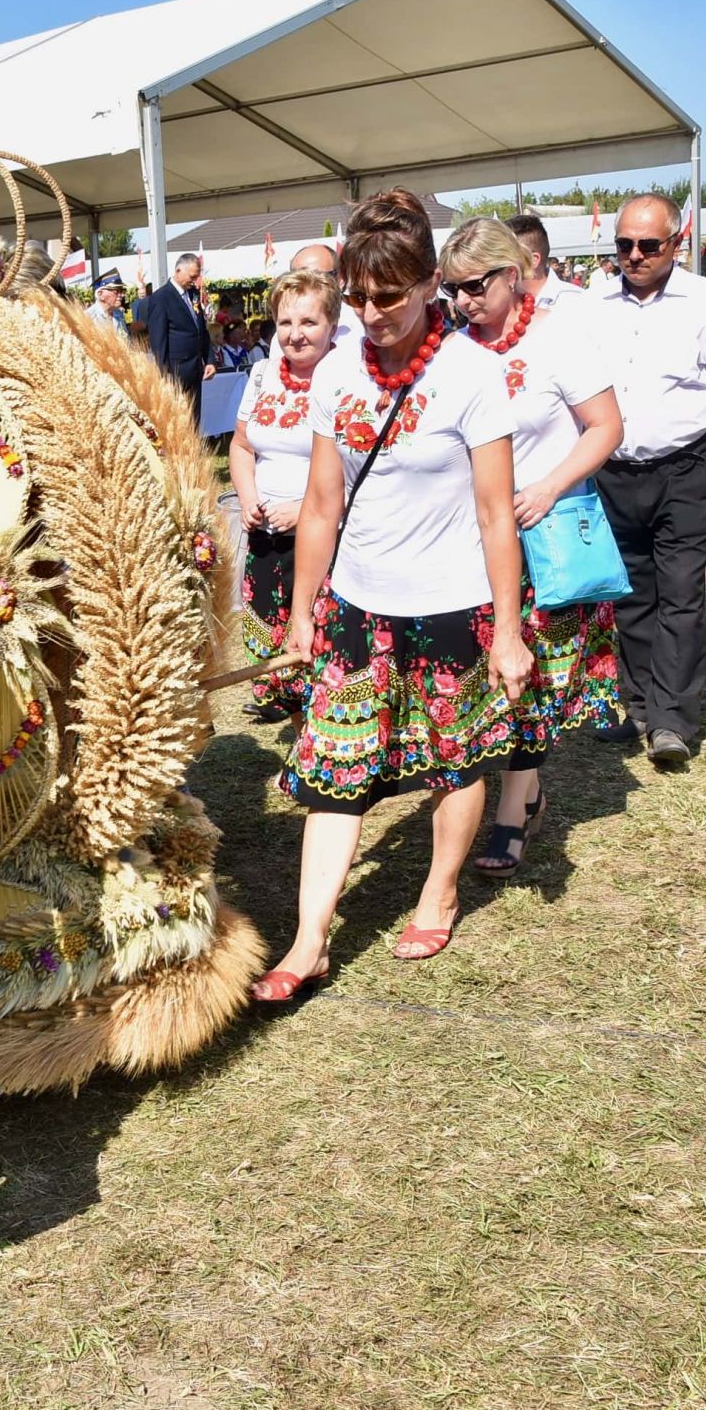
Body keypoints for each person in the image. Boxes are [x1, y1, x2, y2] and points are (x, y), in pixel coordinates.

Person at [259, 189, 530, 994]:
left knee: (455, 760)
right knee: (334, 770)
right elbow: (319, 505)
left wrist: (509, 631)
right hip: (358, 606)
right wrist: (304, 614)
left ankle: (438, 889)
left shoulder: (474, 374)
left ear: (427, 286)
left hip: (452, 607)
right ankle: (308, 941)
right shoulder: (337, 371)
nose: (373, 313)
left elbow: (494, 517)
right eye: (360, 297)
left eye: (391, 297)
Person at [439, 218, 624, 877]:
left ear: (511, 275)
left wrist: (550, 484)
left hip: (543, 536)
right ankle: (522, 787)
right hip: (472, 539)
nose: (462, 301)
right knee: (485, 672)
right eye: (452, 289)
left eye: (473, 286)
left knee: (535, 674)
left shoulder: (560, 339)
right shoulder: (454, 350)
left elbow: (606, 426)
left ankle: (512, 816)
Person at [587, 193, 706, 766]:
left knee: (681, 595)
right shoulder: (595, 303)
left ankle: (672, 720)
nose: (634, 256)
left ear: (676, 242)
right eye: (624, 245)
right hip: (615, 471)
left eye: (648, 245)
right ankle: (637, 704)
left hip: (686, 469)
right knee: (631, 596)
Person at [228, 269, 336, 727]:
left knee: (323, 643)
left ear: (332, 323)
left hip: (326, 539)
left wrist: (307, 510)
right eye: (285, 322)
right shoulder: (261, 375)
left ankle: (330, 738)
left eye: (308, 322)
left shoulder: (347, 377)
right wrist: (247, 495)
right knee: (277, 643)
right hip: (267, 537)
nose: (295, 335)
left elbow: (358, 465)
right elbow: (241, 445)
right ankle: (300, 735)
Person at [139, 252, 215, 417]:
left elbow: (201, 330)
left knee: (194, 421)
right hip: (176, 372)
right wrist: (165, 374)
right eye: (192, 276)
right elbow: (158, 341)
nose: (195, 281)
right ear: (179, 270)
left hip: (195, 371)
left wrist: (209, 360)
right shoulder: (161, 298)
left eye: (197, 277)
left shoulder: (193, 294)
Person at [506, 214, 589, 313]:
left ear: (532, 260)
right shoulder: (499, 304)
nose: (496, 263)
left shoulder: (576, 301)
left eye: (505, 256)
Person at [290, 242, 362, 341]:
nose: (307, 284)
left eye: (318, 277)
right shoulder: (284, 337)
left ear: (340, 279)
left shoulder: (362, 327)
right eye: (299, 278)